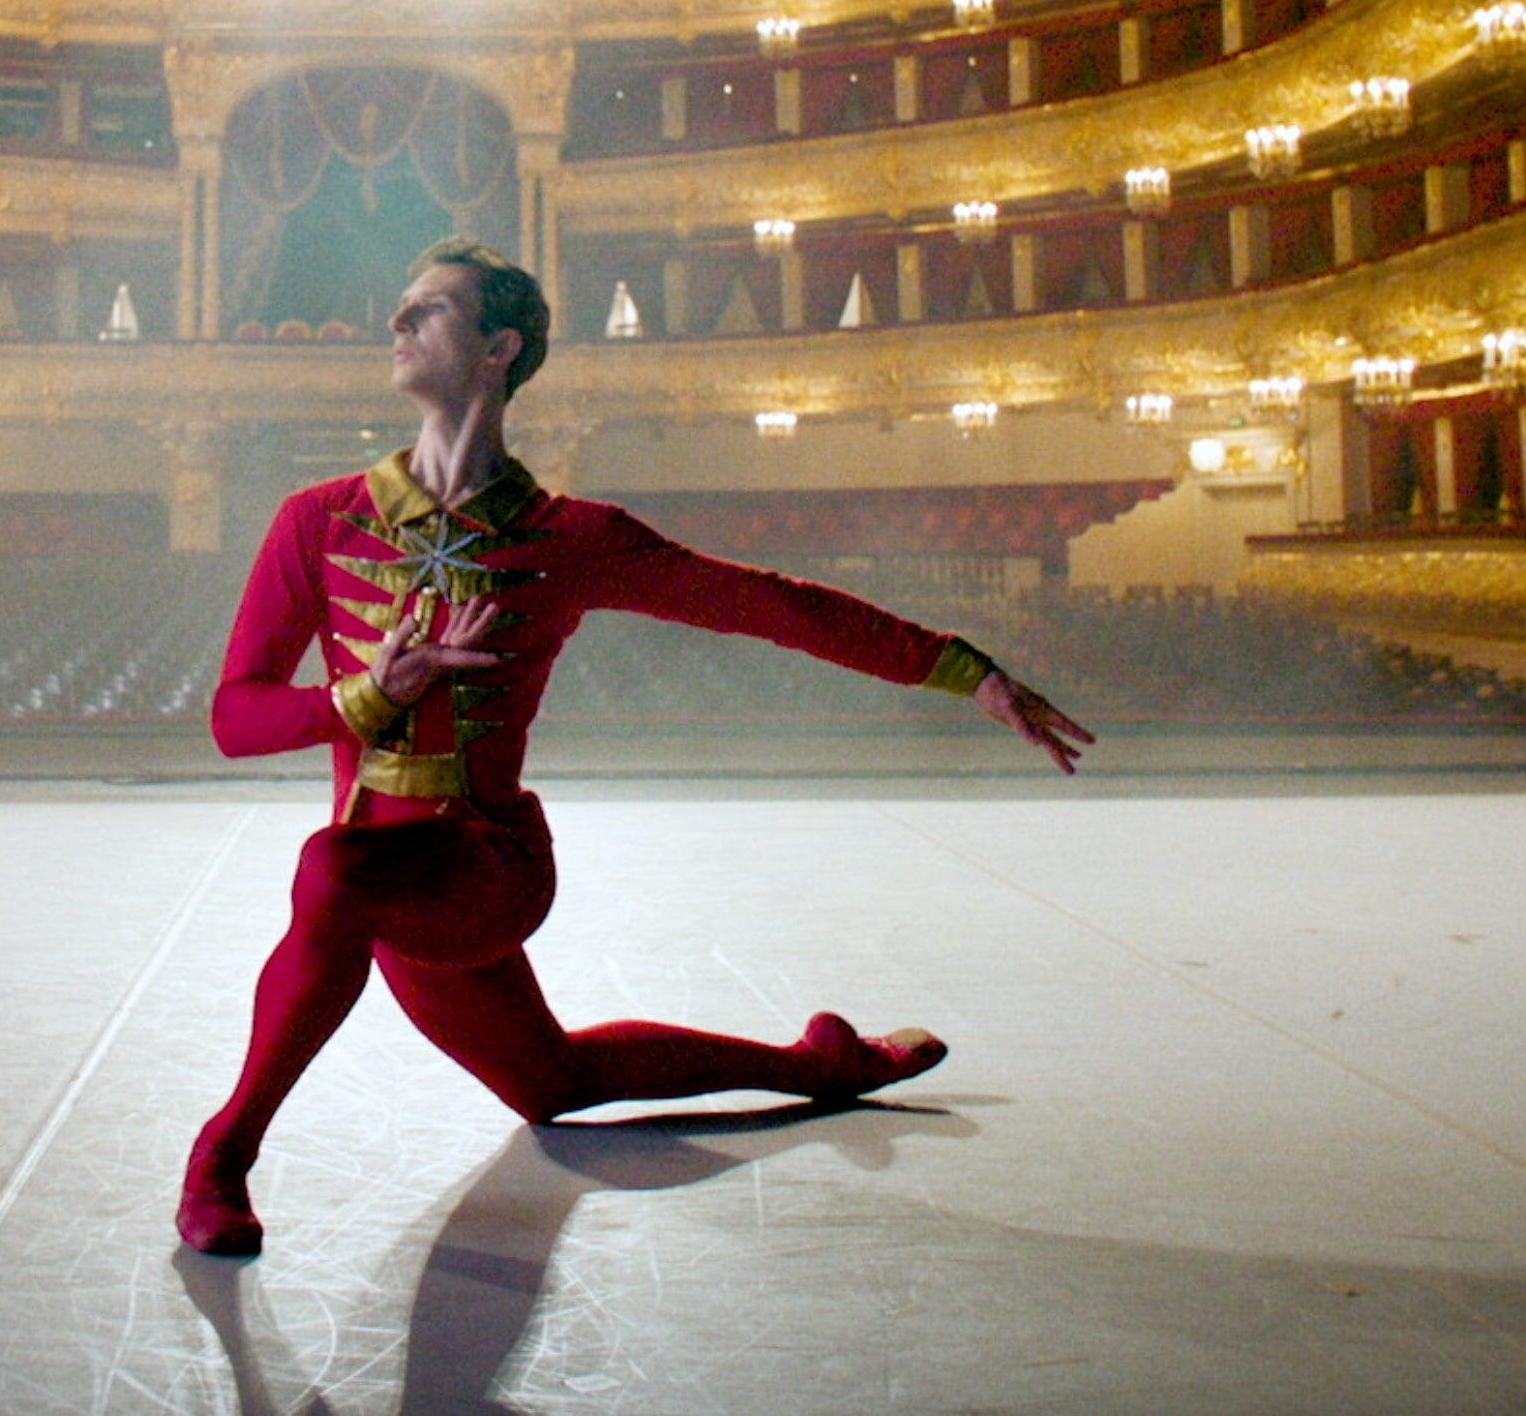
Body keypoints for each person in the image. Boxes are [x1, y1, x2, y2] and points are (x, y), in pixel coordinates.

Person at [182, 239, 1095, 1256]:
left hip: (483, 865)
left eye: (428, 309)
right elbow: (235, 717)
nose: (396, 324)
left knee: (329, 868)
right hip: (384, 893)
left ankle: (222, 1155)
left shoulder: (569, 535)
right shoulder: (317, 520)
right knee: (549, 1083)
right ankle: (821, 1065)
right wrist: (363, 697)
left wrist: (965, 669)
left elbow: (769, 606)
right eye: (400, 306)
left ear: (499, 348)